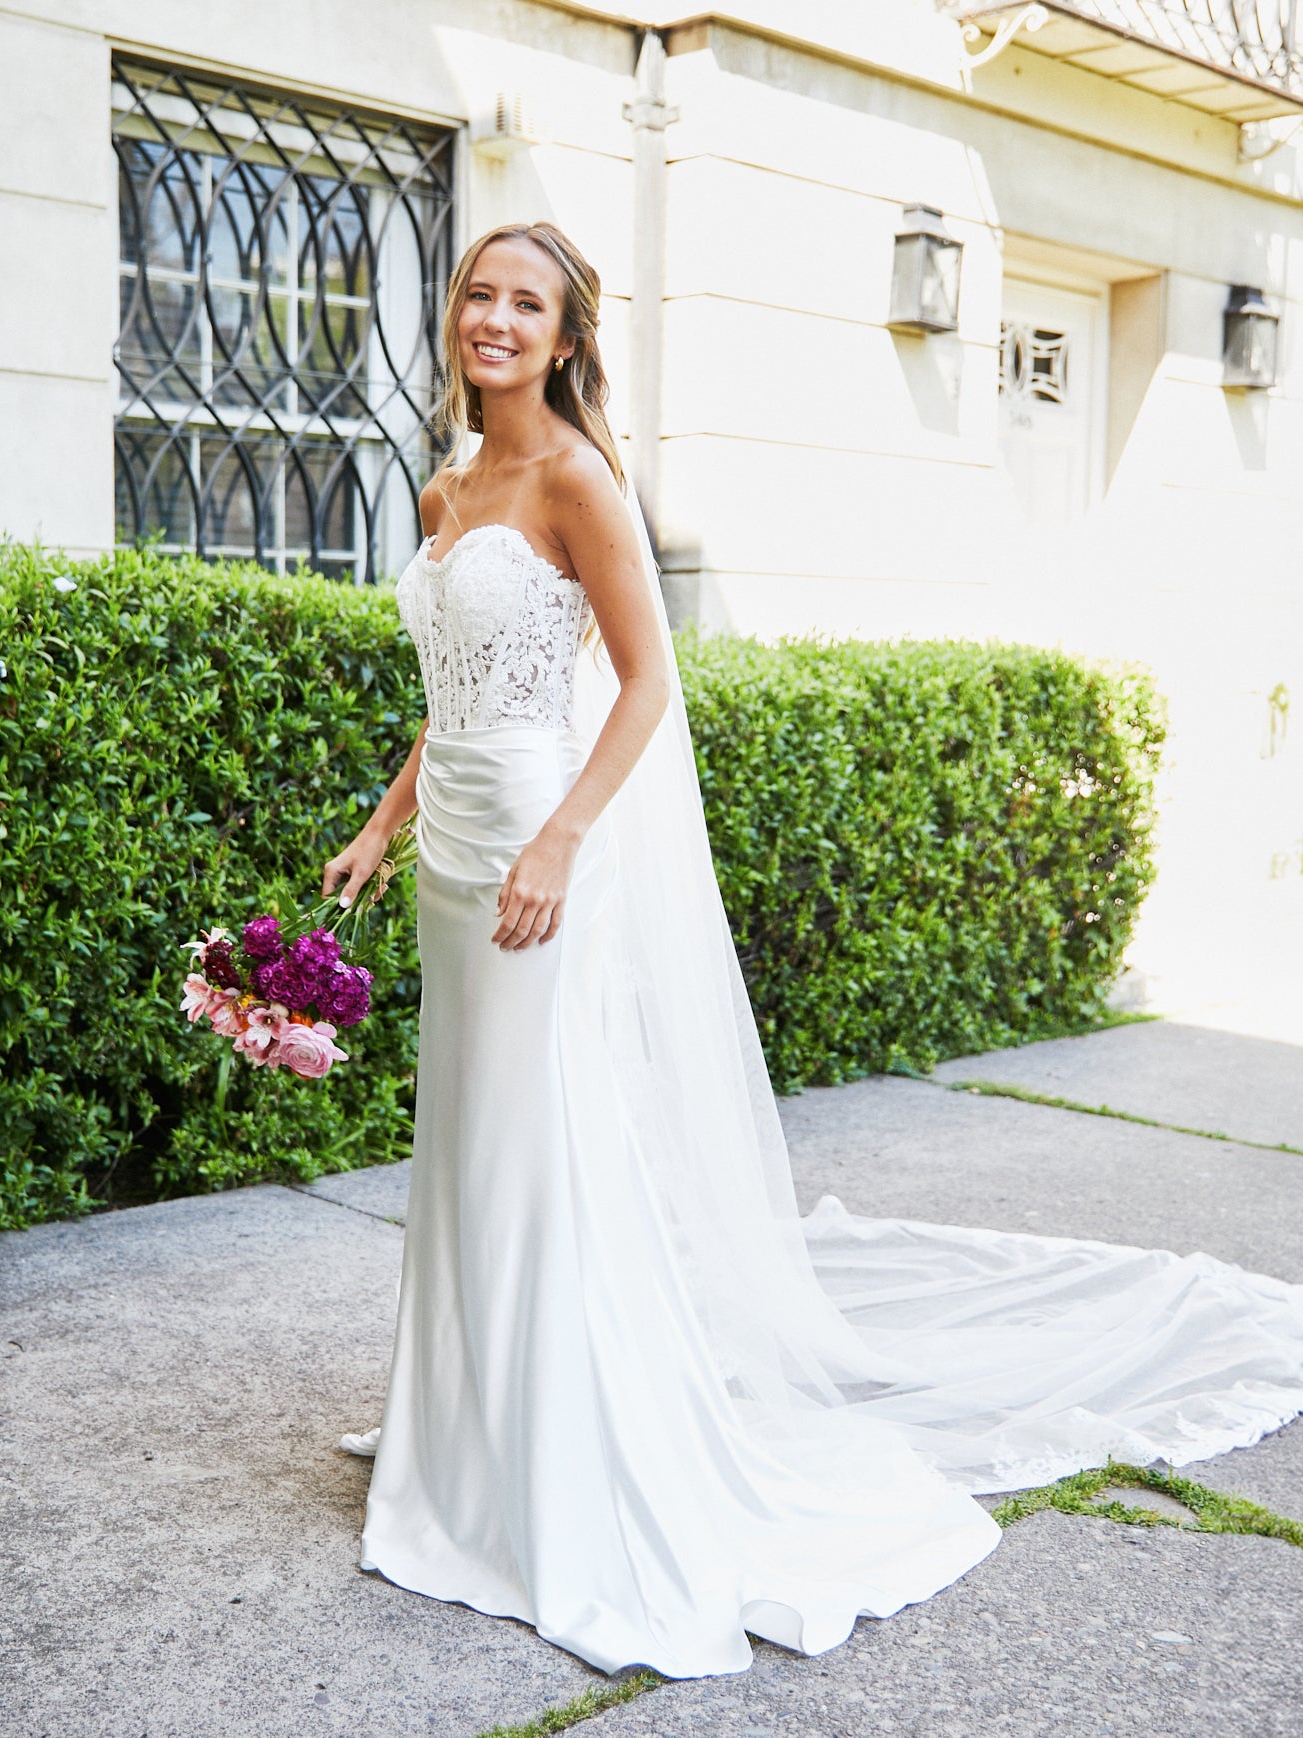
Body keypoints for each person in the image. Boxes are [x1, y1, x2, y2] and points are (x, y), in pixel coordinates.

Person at [322, 221, 1303, 1681]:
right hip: (456, 855)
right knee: (467, 1136)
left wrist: (563, 839)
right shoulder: (448, 485)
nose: (496, 319)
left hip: (538, 848)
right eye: (480, 293)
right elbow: (458, 690)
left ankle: (559, 1450)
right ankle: (459, 1429)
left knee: (543, 1140)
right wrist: (380, 826)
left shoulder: (580, 480)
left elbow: (646, 685)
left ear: (569, 336)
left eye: (528, 303)